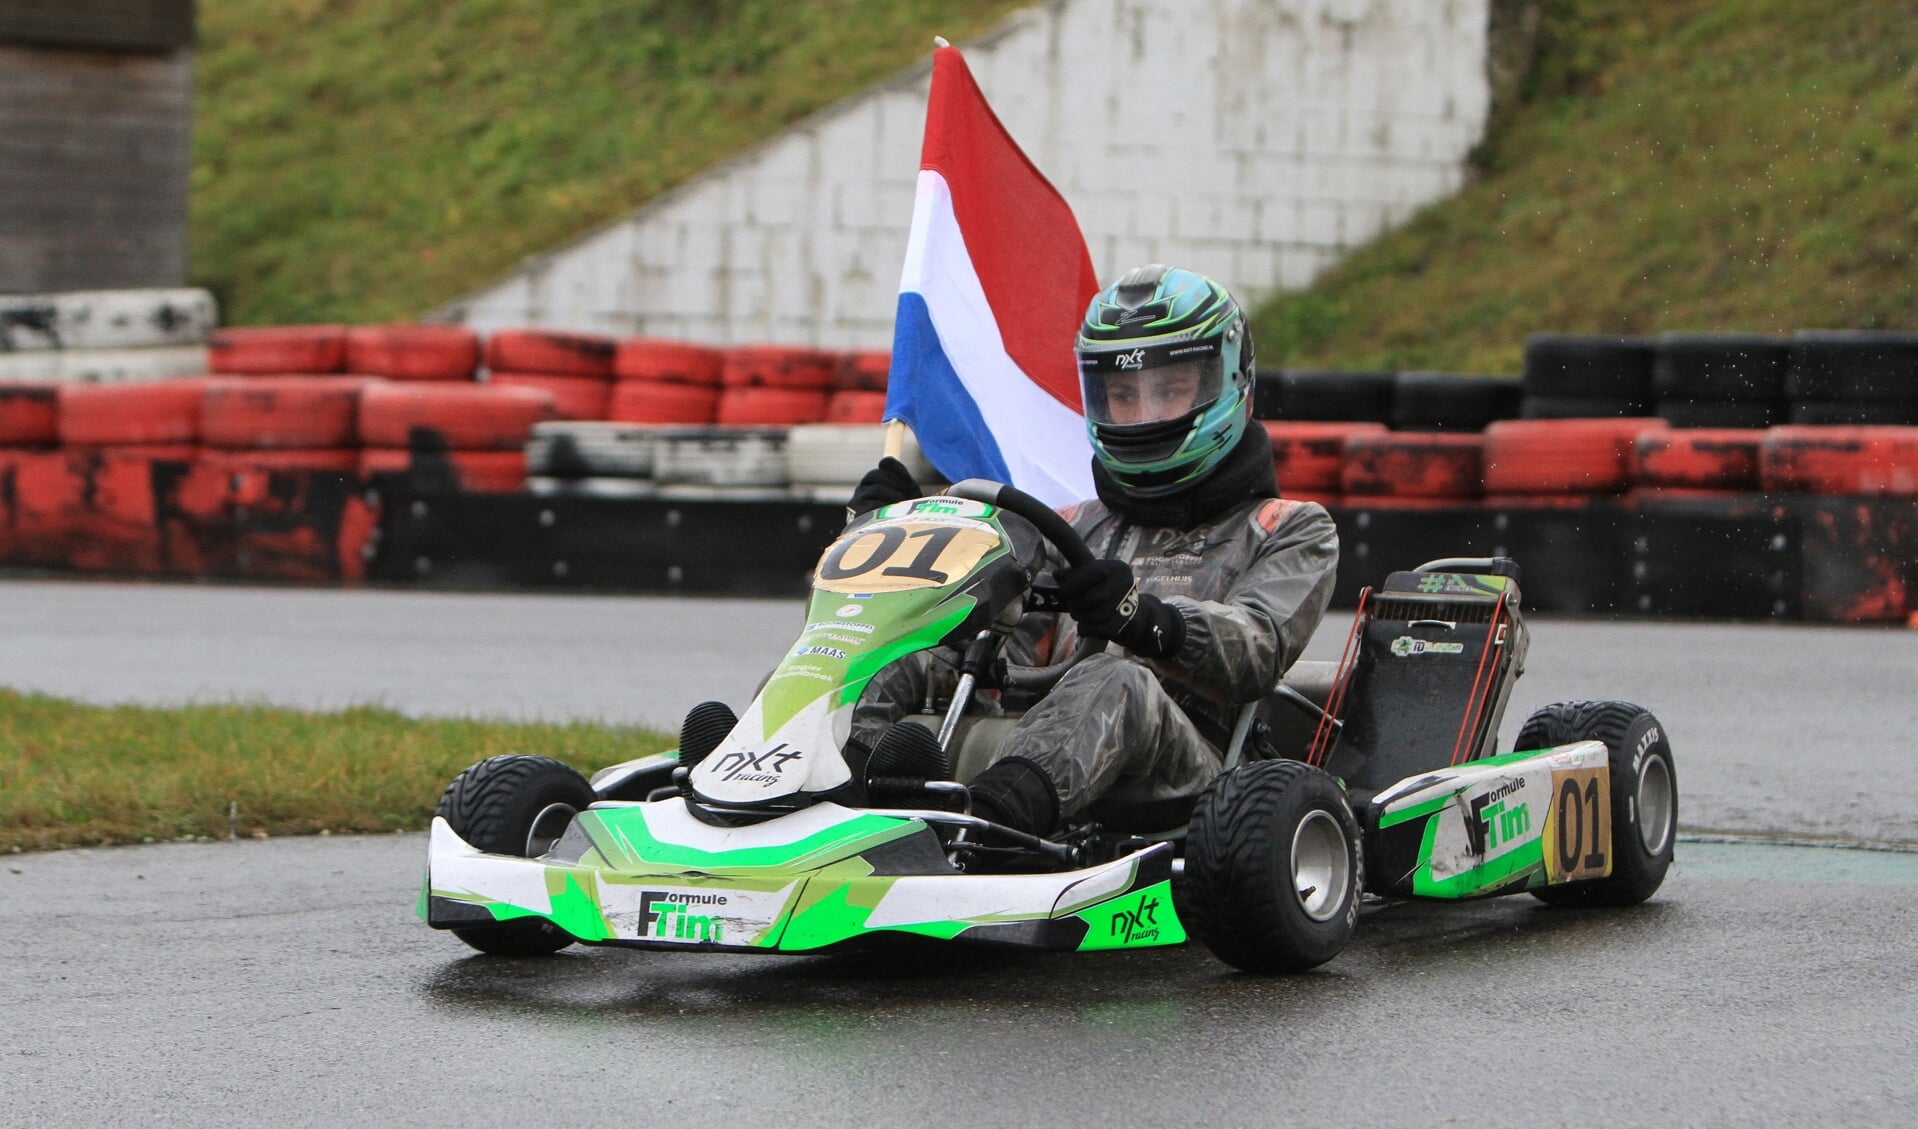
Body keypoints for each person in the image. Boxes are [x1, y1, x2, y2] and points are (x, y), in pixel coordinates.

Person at [848, 264, 1339, 837]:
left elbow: (1256, 650)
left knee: (1116, 678)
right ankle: (816, 792)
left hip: (1194, 780)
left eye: (1169, 389)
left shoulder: (1290, 528)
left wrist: (1144, 619)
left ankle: (984, 832)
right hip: (1044, 745)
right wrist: (896, 535)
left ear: (1230, 384)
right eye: (1123, 395)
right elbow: (1002, 651)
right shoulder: (1070, 524)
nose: (1142, 414)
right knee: (886, 656)